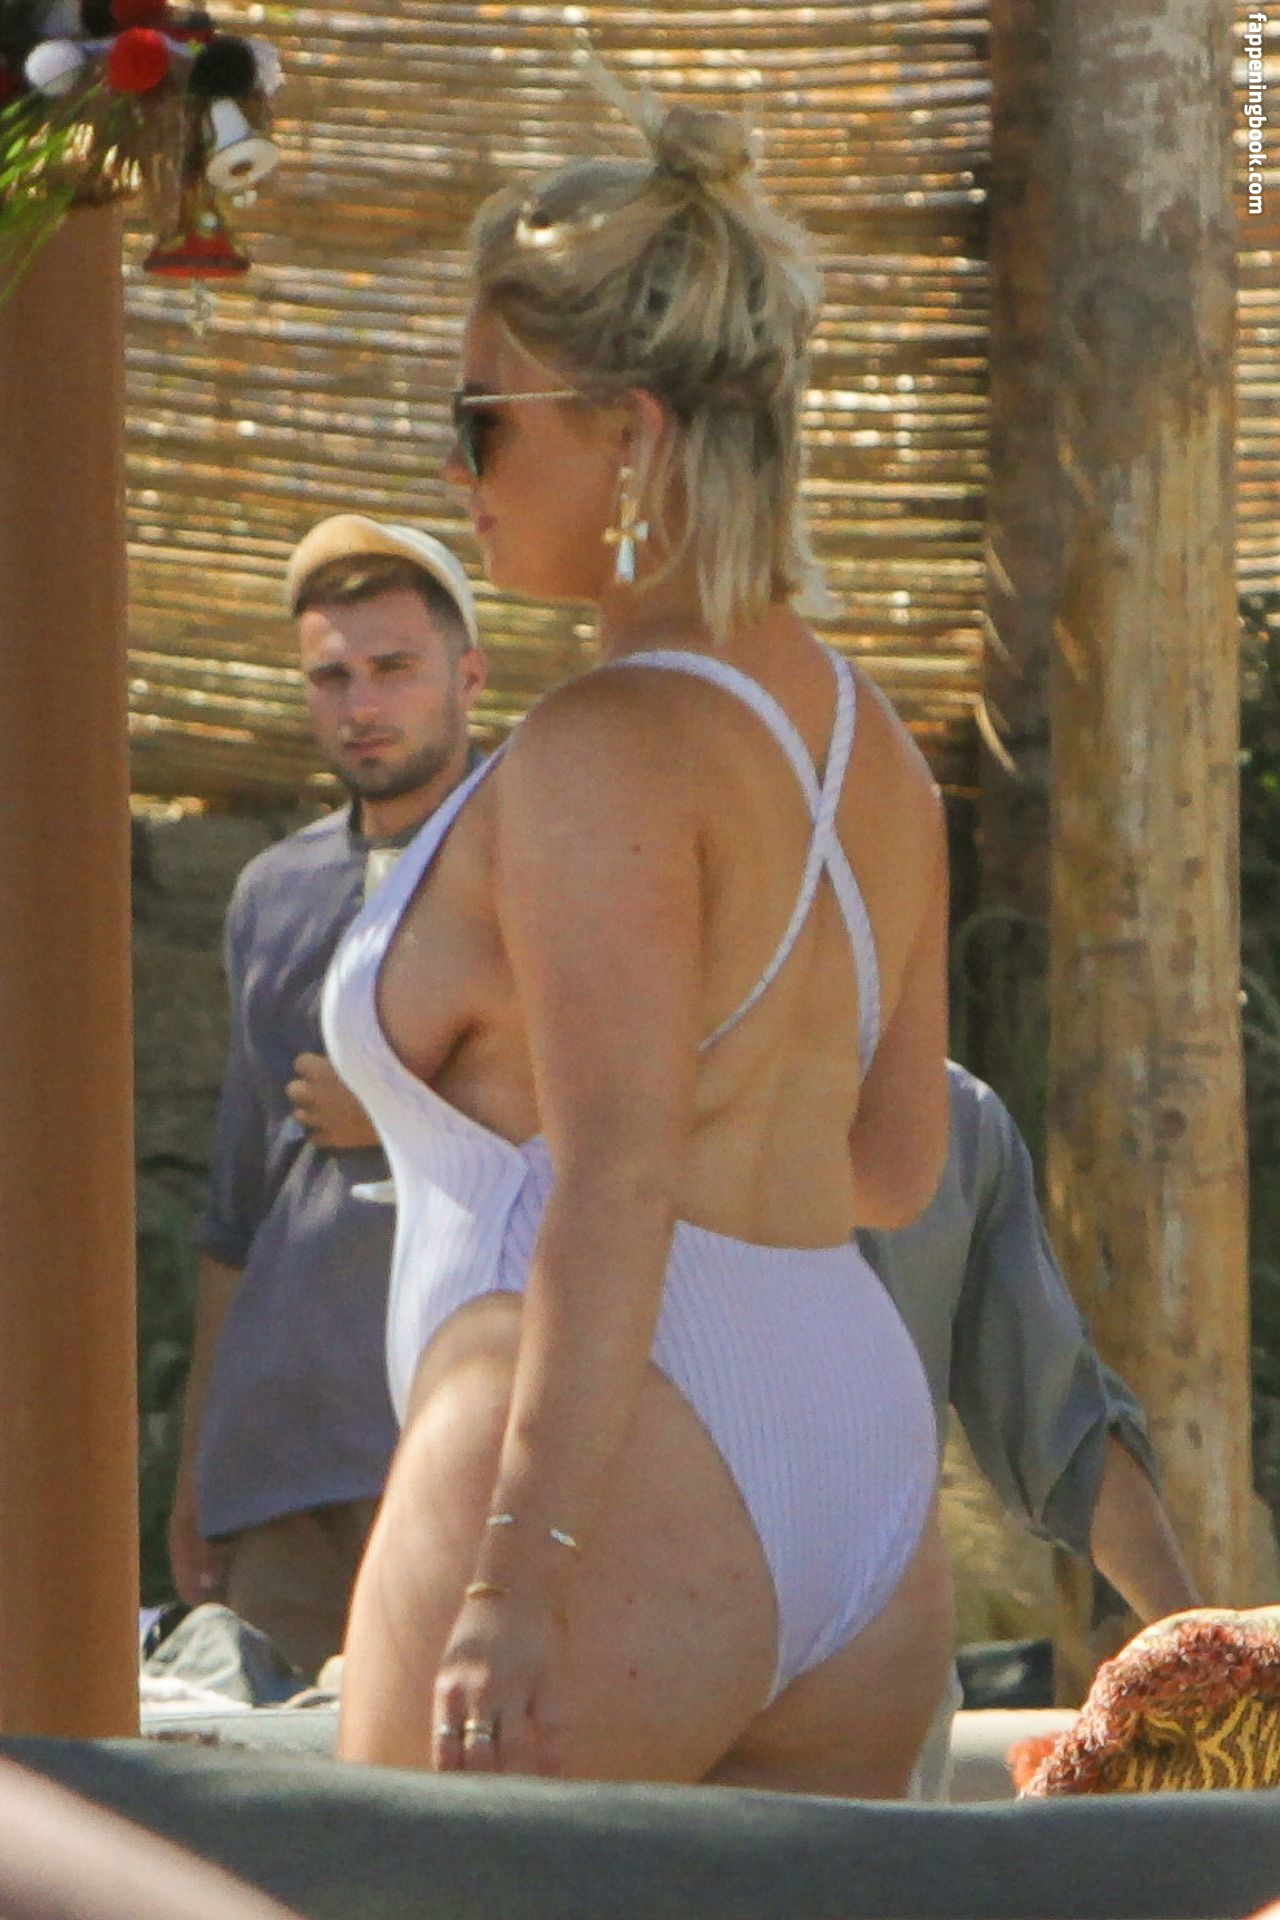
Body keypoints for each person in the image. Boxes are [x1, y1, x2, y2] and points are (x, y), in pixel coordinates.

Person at [323, 76, 955, 1795]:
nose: (455, 470)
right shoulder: (878, 753)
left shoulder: (603, 746)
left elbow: (619, 1174)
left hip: (607, 1464)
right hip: (856, 1451)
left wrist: (516, 1574)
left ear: (633, 435)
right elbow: (897, 1165)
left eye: (482, 418)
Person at [167, 517, 488, 1682]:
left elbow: (630, 1115)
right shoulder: (273, 890)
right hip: (287, 1456)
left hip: (477, 1438)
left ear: (469, 676)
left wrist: (399, 1106)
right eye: (331, 677)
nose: (361, 704)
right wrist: (201, 1468)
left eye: (393, 667)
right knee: (273, 1772)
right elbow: (238, 1207)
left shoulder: (544, 856)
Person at [858, 1060, 1201, 1798]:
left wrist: (1202, 1655)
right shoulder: (622, 1092)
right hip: (647, 1686)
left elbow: (1061, 1424)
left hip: (876, 1703)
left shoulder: (954, 1122)